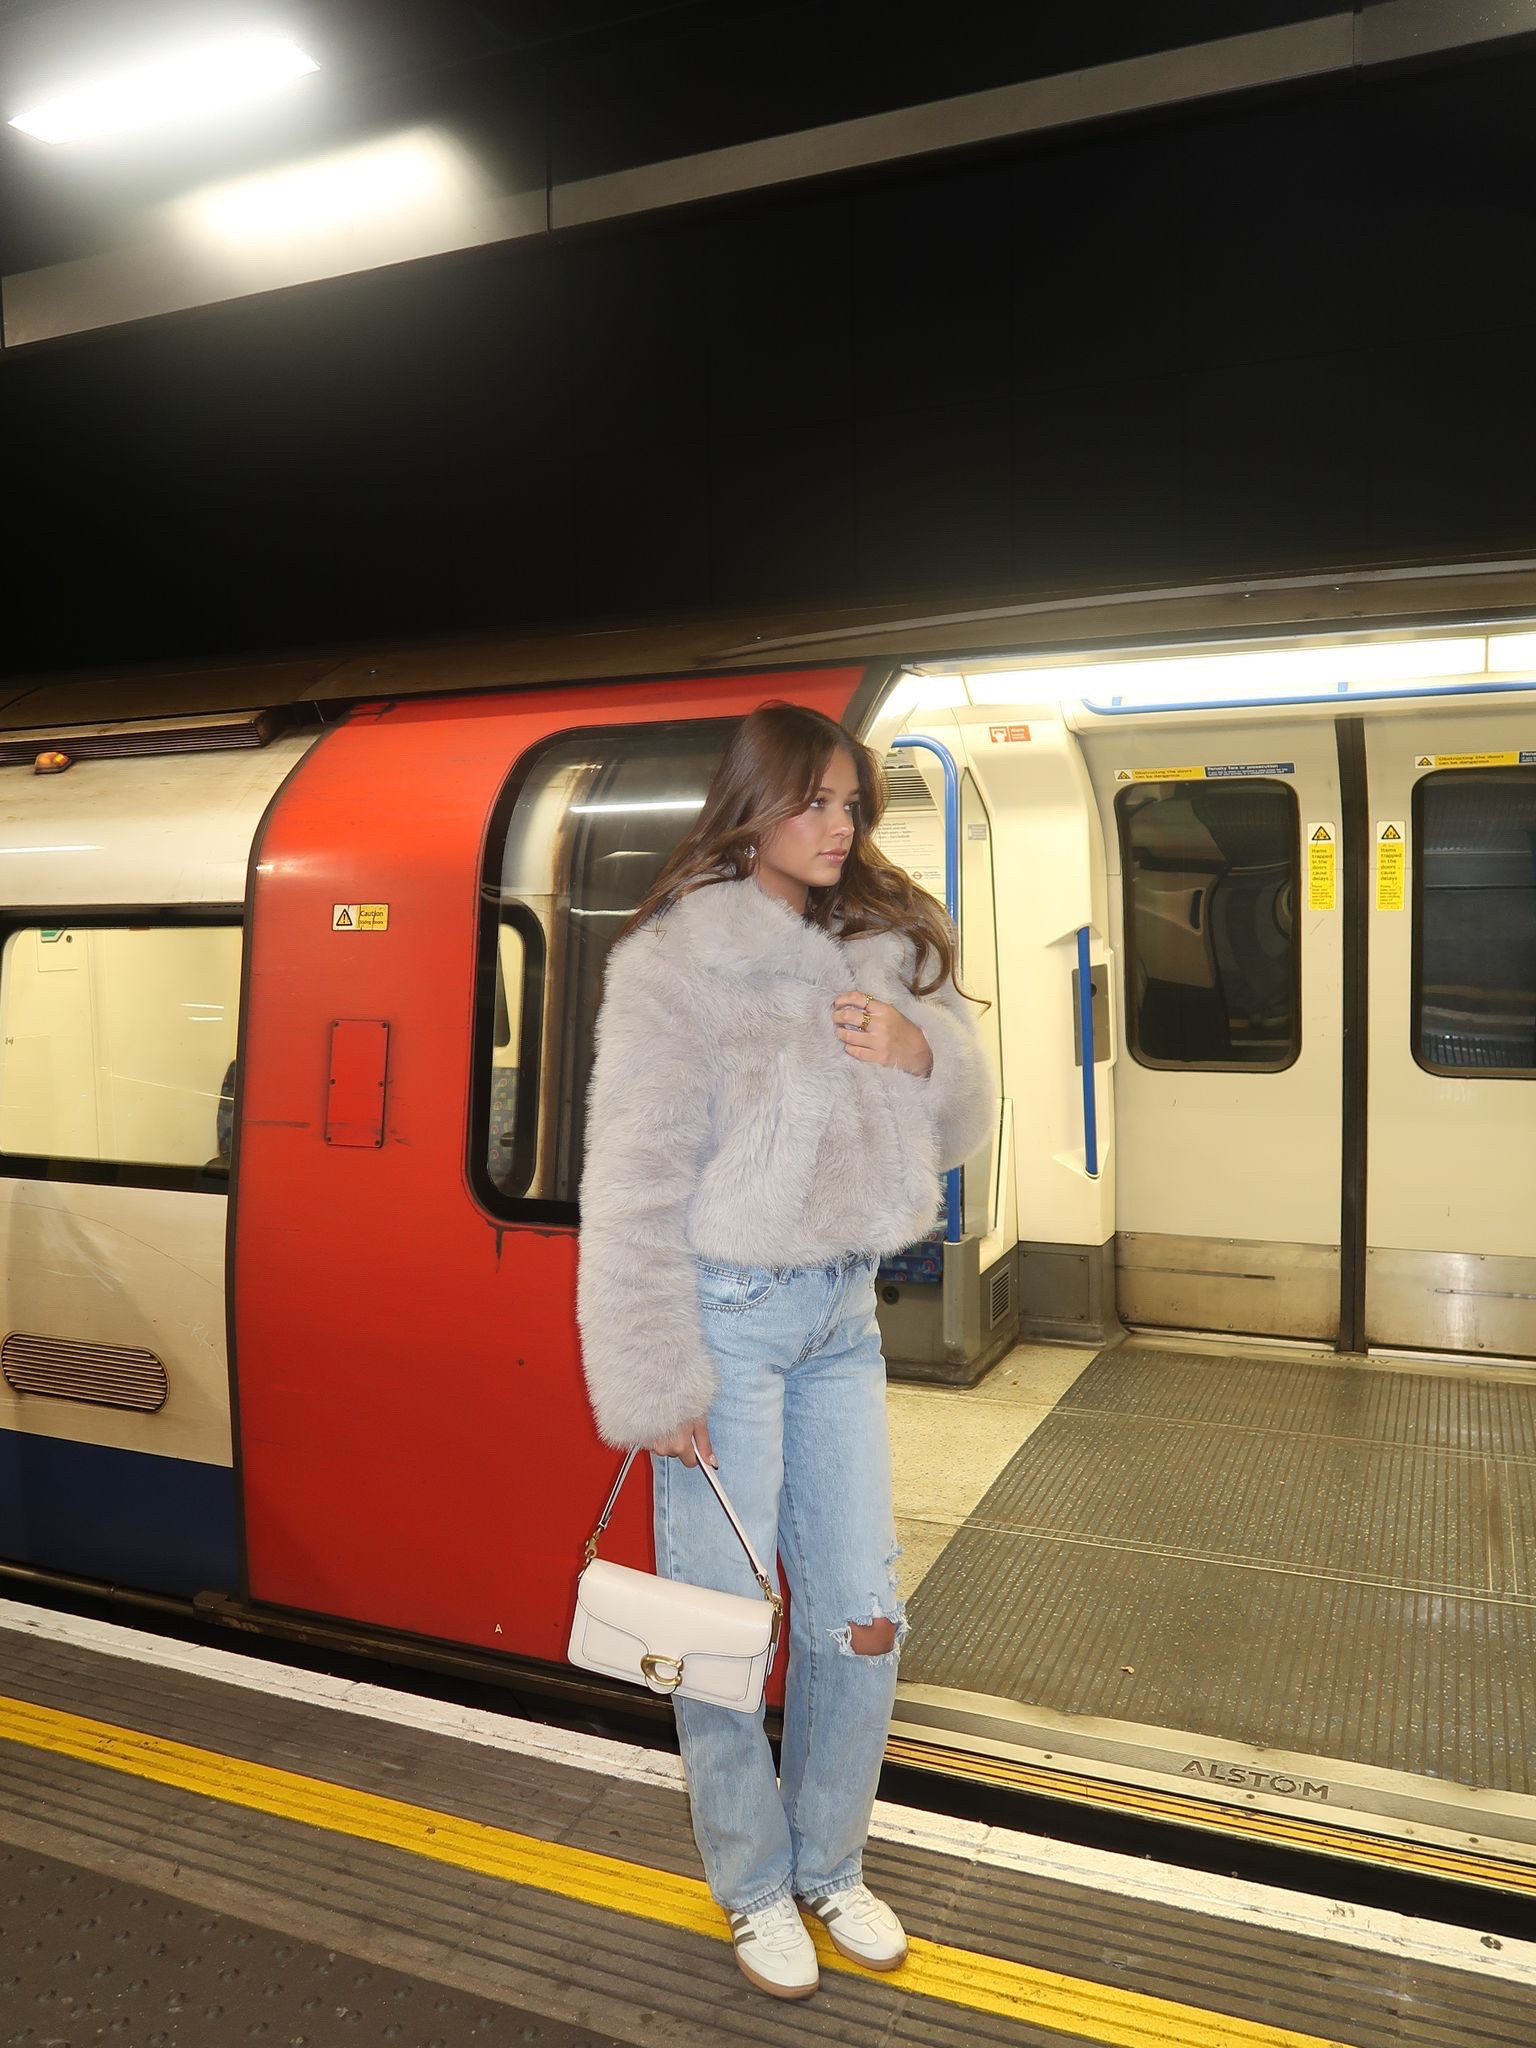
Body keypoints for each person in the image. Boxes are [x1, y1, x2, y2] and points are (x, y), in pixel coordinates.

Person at [576, 701, 995, 2000]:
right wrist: (655, 1380)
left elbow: (963, 1124)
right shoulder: (675, 962)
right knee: (720, 1629)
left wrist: (919, 1051)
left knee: (864, 1614)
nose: (839, 828)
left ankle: (830, 1862)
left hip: (842, 1320)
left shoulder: (887, 946)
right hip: (725, 1319)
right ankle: (753, 1883)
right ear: (752, 802)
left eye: (852, 805)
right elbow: (632, 1181)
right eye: (813, 802)